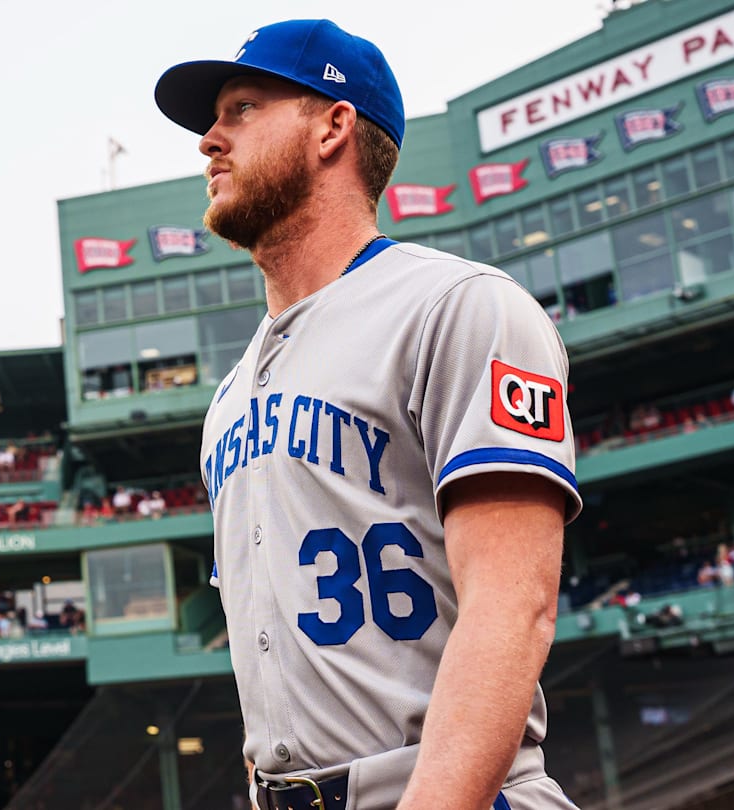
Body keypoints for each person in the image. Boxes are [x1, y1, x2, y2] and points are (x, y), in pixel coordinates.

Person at [156, 20, 580, 809]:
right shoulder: (226, 402)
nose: (210, 139)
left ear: (333, 126)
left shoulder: (457, 307)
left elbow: (513, 606)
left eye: (242, 108)